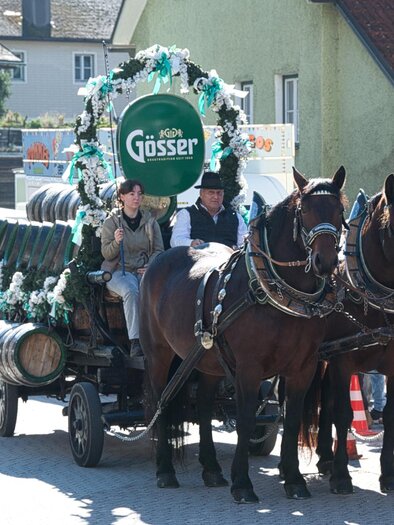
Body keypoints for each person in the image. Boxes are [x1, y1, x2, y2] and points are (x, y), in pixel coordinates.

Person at [101, 178, 164, 357]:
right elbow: (106, 254)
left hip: (144, 270)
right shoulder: (111, 222)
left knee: (154, 289)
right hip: (119, 272)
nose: (136, 197)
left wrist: (150, 265)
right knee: (131, 290)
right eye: (131, 194)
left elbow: (159, 250)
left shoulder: (150, 222)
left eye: (139, 194)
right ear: (122, 197)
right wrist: (116, 241)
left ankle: (158, 337)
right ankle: (136, 341)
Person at [170, 171, 248, 249]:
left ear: (223, 194)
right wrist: (191, 243)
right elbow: (176, 240)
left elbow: (244, 243)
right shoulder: (187, 214)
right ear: (201, 194)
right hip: (197, 259)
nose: (216, 197)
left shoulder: (235, 217)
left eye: (219, 193)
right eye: (211, 192)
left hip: (229, 260)